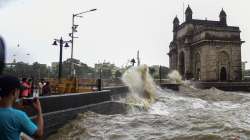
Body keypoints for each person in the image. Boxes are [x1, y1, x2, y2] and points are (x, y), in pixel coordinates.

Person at [0, 75, 44, 140]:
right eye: (19, 90)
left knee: (22, 135)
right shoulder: (19, 115)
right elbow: (39, 134)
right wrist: (39, 111)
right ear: (14, 91)